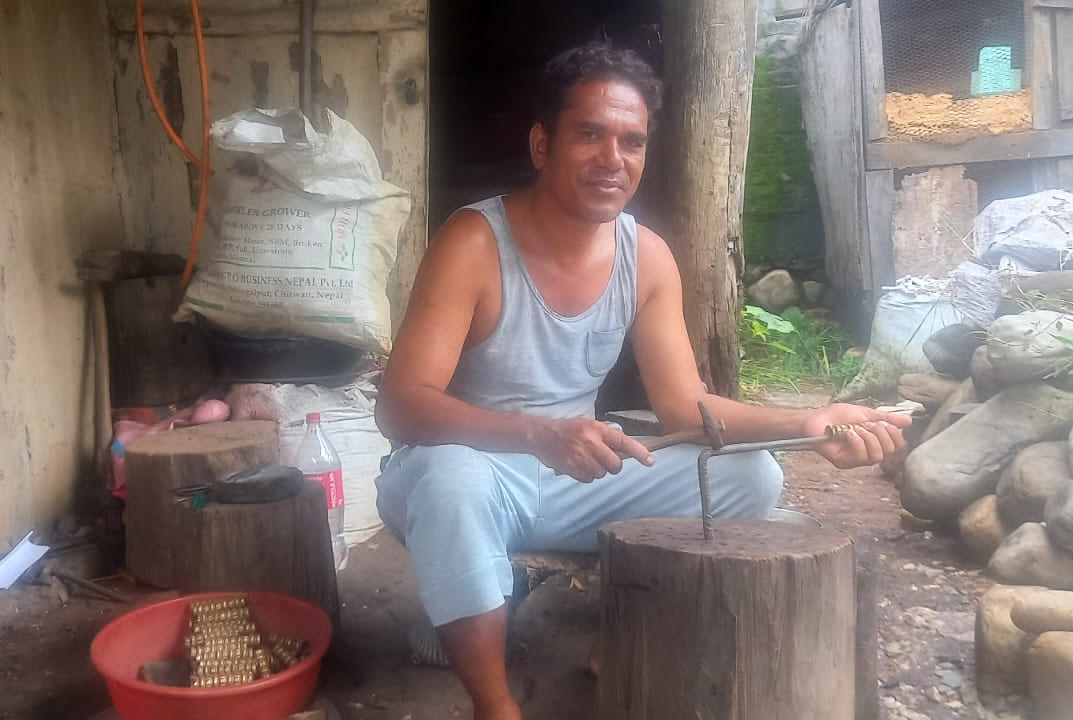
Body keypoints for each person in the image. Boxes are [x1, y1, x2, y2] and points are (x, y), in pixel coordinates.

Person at [373, 41, 912, 720]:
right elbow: (400, 408)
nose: (612, 159)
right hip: (464, 468)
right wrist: (538, 433)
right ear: (543, 144)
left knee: (755, 480)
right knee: (454, 482)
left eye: (632, 141)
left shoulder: (645, 256)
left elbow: (684, 407)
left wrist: (804, 424)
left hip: (573, 470)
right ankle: (494, 702)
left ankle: (618, 630)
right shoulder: (474, 242)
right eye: (590, 135)